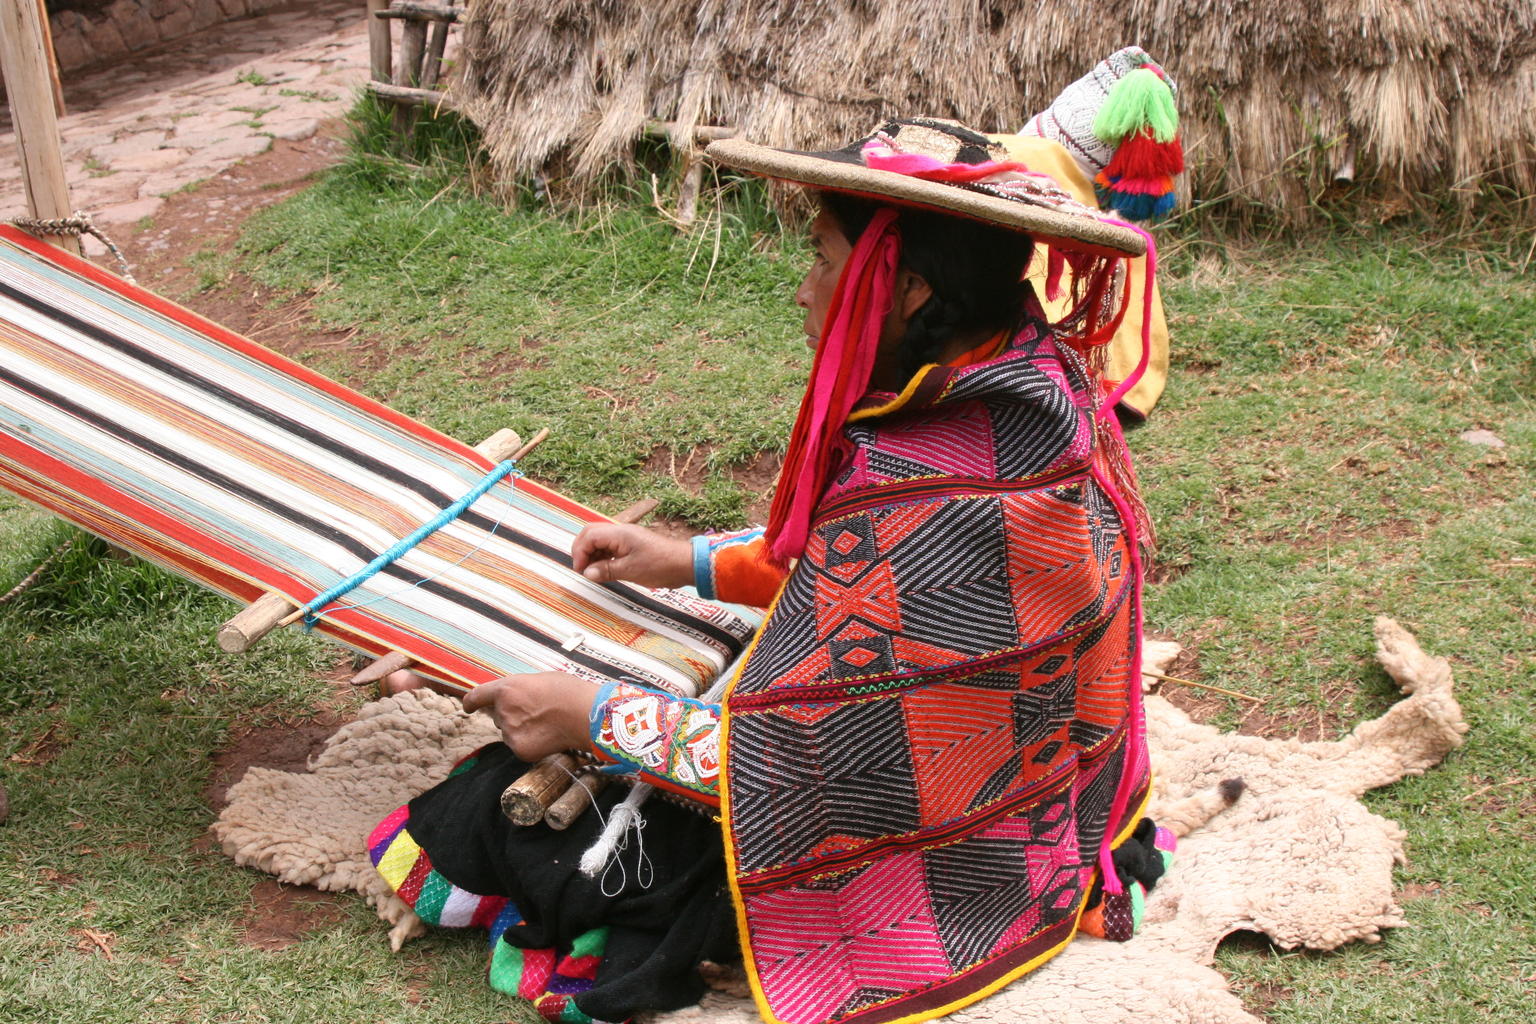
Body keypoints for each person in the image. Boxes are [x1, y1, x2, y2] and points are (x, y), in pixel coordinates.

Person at [372, 117, 1167, 1024]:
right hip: (1042, 785)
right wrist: (690, 562)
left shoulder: (940, 488)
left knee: (497, 819)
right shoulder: (1022, 389)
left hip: (951, 846)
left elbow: (794, 764)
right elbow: (863, 578)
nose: (801, 291)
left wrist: (588, 713)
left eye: (821, 257)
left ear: (903, 288)